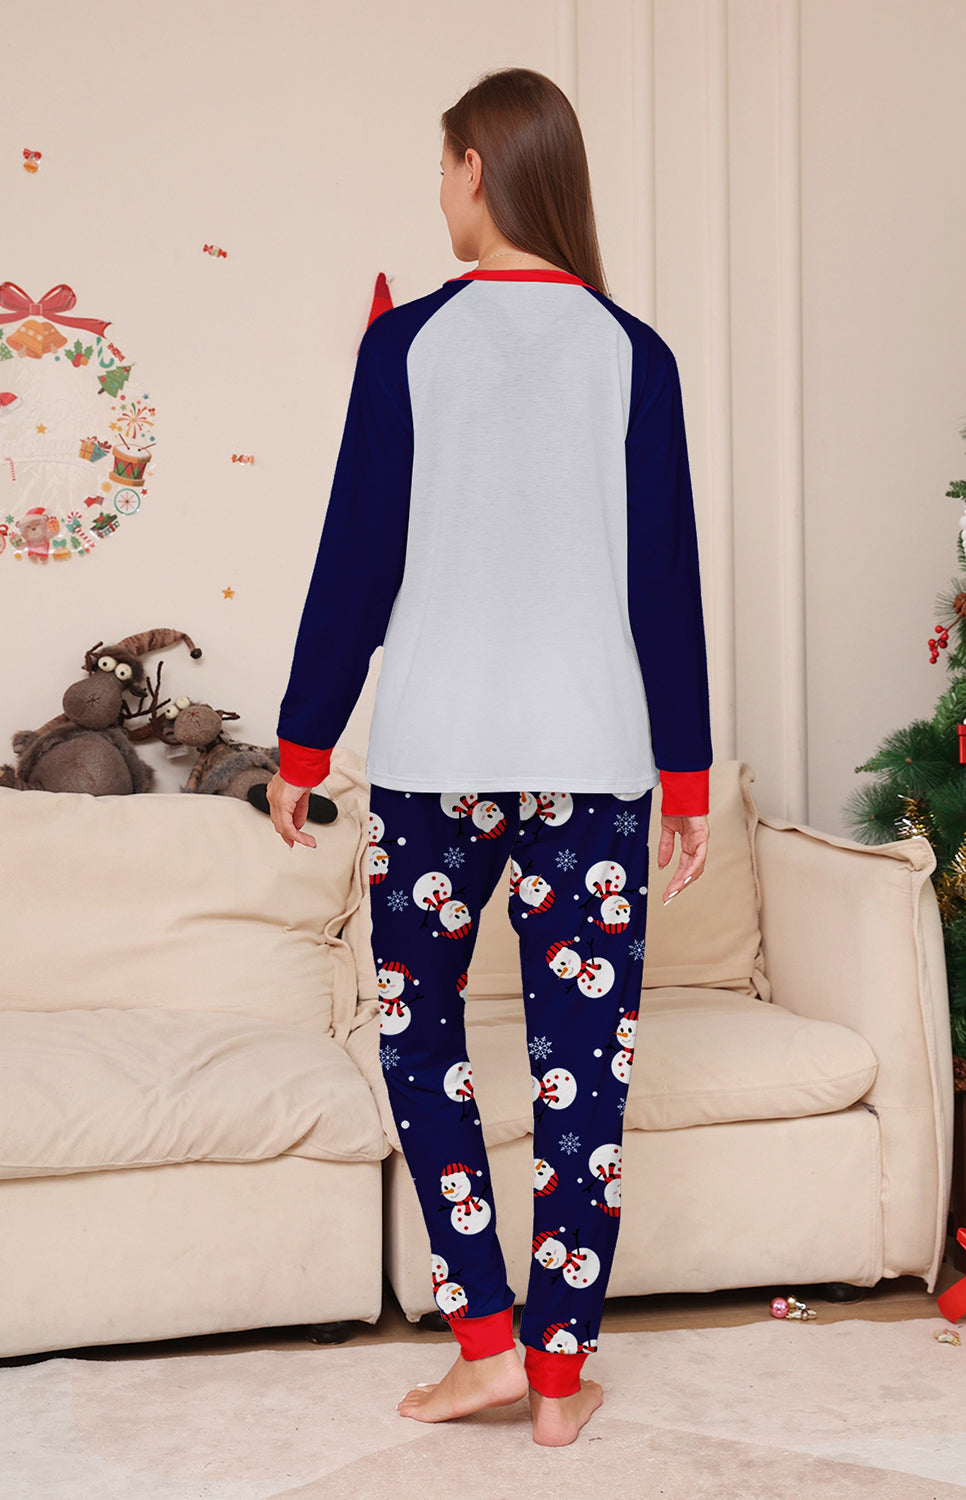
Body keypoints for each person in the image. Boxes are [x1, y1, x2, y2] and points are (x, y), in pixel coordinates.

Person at [266, 65, 711, 1448]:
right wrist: (687, 776)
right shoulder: (636, 353)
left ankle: (484, 1346)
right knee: (587, 1065)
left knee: (419, 1038)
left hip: (436, 756)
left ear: (474, 170)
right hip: (595, 760)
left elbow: (355, 556)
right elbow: (666, 581)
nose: (441, 194)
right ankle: (559, 1375)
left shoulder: (407, 345)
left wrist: (302, 742)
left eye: (443, 168)